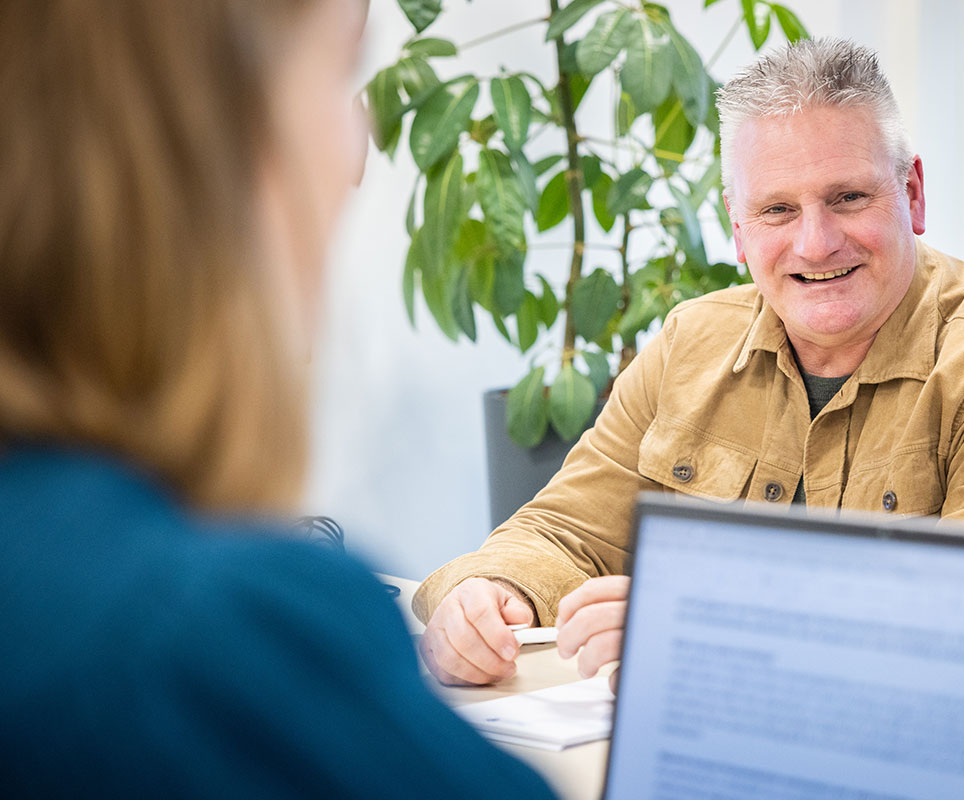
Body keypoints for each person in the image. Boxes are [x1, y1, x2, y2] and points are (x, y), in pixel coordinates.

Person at [413, 37, 964, 689]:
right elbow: (562, 531)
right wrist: (486, 592)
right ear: (738, 228)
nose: (816, 242)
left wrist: (703, 624)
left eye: (848, 198)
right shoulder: (689, 342)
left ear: (912, 194)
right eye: (776, 209)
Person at [0, 1, 556, 797]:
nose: (358, 151)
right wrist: (492, 588)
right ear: (208, 142)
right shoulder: (214, 639)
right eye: (339, 75)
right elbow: (561, 519)